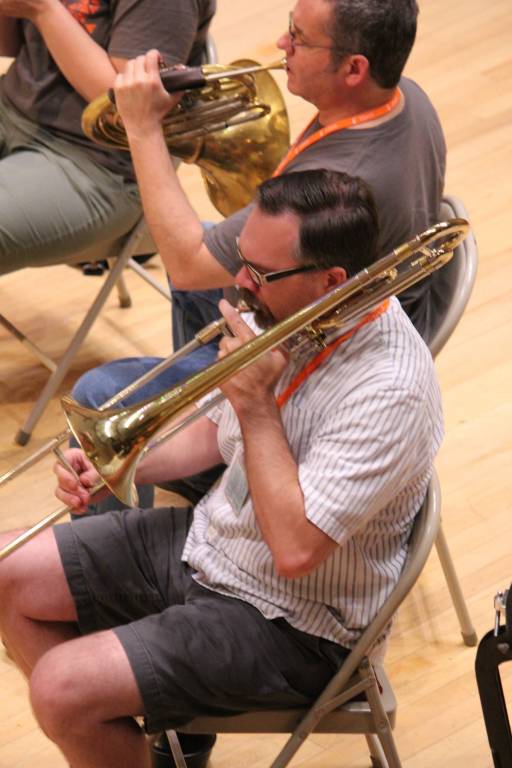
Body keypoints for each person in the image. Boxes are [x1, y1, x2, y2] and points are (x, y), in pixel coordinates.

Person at [0, 169, 444, 768]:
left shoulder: (392, 390)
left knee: (60, 688)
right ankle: (137, 742)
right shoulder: (289, 310)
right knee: (6, 573)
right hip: (214, 542)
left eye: (260, 273)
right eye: (243, 260)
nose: (240, 283)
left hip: (296, 624)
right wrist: (119, 467)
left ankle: (123, 727)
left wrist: (257, 405)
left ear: (332, 281)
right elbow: (214, 432)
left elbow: (295, 550)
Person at [72, 0, 447, 507]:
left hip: (318, 367)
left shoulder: (341, 178)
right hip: (329, 305)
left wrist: (142, 128)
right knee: (208, 263)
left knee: (101, 396)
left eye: (299, 38)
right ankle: (206, 436)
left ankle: (210, 457)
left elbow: (186, 262)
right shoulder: (406, 97)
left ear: (355, 68)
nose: (281, 44)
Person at [0, 0, 215, 276]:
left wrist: (44, 9)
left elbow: (125, 108)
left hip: (98, 165)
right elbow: (11, 44)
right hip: (13, 106)